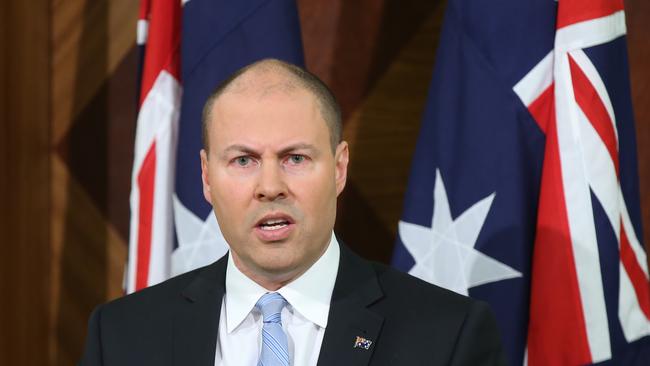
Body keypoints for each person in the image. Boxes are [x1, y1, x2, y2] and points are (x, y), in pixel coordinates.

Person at [79, 59, 507, 366]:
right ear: (207, 178)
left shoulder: (448, 336)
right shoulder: (121, 336)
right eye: (243, 160)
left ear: (339, 169)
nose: (270, 187)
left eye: (295, 158)